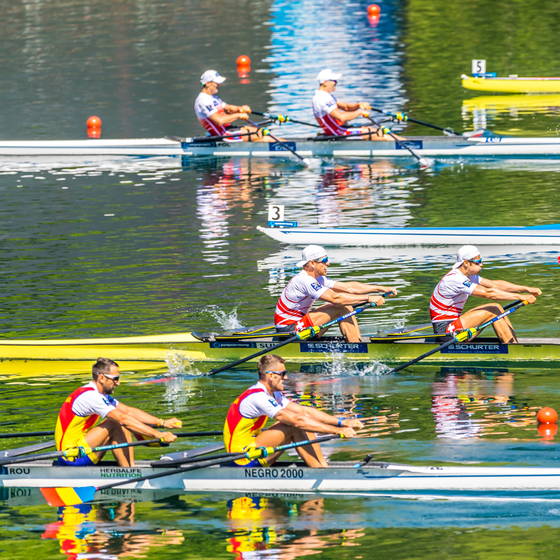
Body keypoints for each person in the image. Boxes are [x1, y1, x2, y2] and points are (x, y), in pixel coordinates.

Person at [223, 354, 364, 467]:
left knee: (301, 421)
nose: (286, 377)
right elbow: (297, 421)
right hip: (242, 458)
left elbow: (304, 412)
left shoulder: (273, 393)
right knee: (294, 425)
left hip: (255, 450)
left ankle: (321, 467)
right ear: (271, 376)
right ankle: (321, 470)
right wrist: (338, 431)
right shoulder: (258, 396)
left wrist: (342, 422)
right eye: (283, 373)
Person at [54, 357, 182, 467]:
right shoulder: (91, 397)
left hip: (83, 449)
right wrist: (158, 435)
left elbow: (127, 411)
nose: (118, 383)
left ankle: (130, 467)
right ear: (102, 378)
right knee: (116, 422)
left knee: (121, 419)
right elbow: (123, 419)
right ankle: (130, 471)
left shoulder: (99, 394)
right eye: (115, 378)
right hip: (72, 456)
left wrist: (162, 422)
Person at [274, 244, 398, 343]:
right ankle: (356, 346)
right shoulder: (304, 280)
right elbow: (336, 298)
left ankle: (355, 341)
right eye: (324, 260)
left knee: (345, 305)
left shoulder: (317, 278)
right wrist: (369, 298)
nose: (328, 263)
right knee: (341, 306)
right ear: (312, 263)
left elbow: (349, 288)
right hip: (289, 332)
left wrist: (380, 288)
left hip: (299, 324)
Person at [430, 245, 541, 342]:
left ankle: (513, 343)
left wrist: (526, 289)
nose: (482, 264)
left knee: (496, 307)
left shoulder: (467, 276)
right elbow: (489, 293)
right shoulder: (455, 279)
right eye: (478, 262)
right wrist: (520, 297)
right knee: (493, 310)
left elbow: (494, 285)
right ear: (466, 263)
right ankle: (512, 348)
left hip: (453, 325)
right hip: (445, 332)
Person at [312, 69, 401, 139]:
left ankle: (405, 143)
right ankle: (407, 145)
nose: (336, 82)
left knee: (374, 130)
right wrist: (359, 112)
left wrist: (359, 105)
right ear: (324, 82)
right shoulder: (322, 98)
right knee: (378, 132)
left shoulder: (326, 96)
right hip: (338, 132)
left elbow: (346, 107)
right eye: (334, 80)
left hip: (340, 129)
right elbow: (342, 117)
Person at [194, 69, 272, 142]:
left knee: (262, 133)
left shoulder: (213, 97)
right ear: (207, 83)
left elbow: (228, 108)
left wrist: (240, 108)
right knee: (262, 134)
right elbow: (220, 121)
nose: (219, 85)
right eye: (216, 83)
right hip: (223, 135)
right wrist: (238, 115)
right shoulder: (203, 100)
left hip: (228, 129)